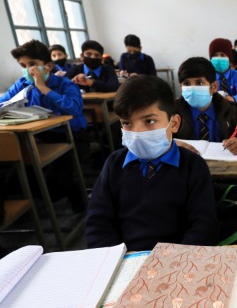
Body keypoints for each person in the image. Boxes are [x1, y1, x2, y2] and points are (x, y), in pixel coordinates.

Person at [86, 75, 219, 250]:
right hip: (125, 262)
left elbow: (204, 226)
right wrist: (115, 260)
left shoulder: (192, 166)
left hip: (177, 261)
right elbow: (98, 224)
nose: (137, 132)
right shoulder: (114, 164)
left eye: (149, 121)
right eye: (127, 123)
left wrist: (173, 261)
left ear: (174, 123)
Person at [1, 39, 88, 211]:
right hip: (38, 137)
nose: (28, 70)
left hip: (71, 136)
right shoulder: (23, 84)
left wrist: (43, 87)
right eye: (23, 65)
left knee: (56, 187)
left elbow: (75, 109)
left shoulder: (65, 84)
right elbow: (3, 102)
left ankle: (75, 193)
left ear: (47, 66)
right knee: (12, 182)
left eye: (32, 64)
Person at [175, 57, 237, 154]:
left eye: (199, 83)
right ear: (181, 87)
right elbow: (160, 136)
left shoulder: (227, 109)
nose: (192, 88)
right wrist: (172, 144)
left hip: (225, 167)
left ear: (214, 87)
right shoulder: (172, 111)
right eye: (186, 84)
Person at [209, 38, 237, 105]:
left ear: (229, 58)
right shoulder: (207, 76)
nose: (219, 58)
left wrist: (233, 99)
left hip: (233, 110)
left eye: (222, 55)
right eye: (215, 55)